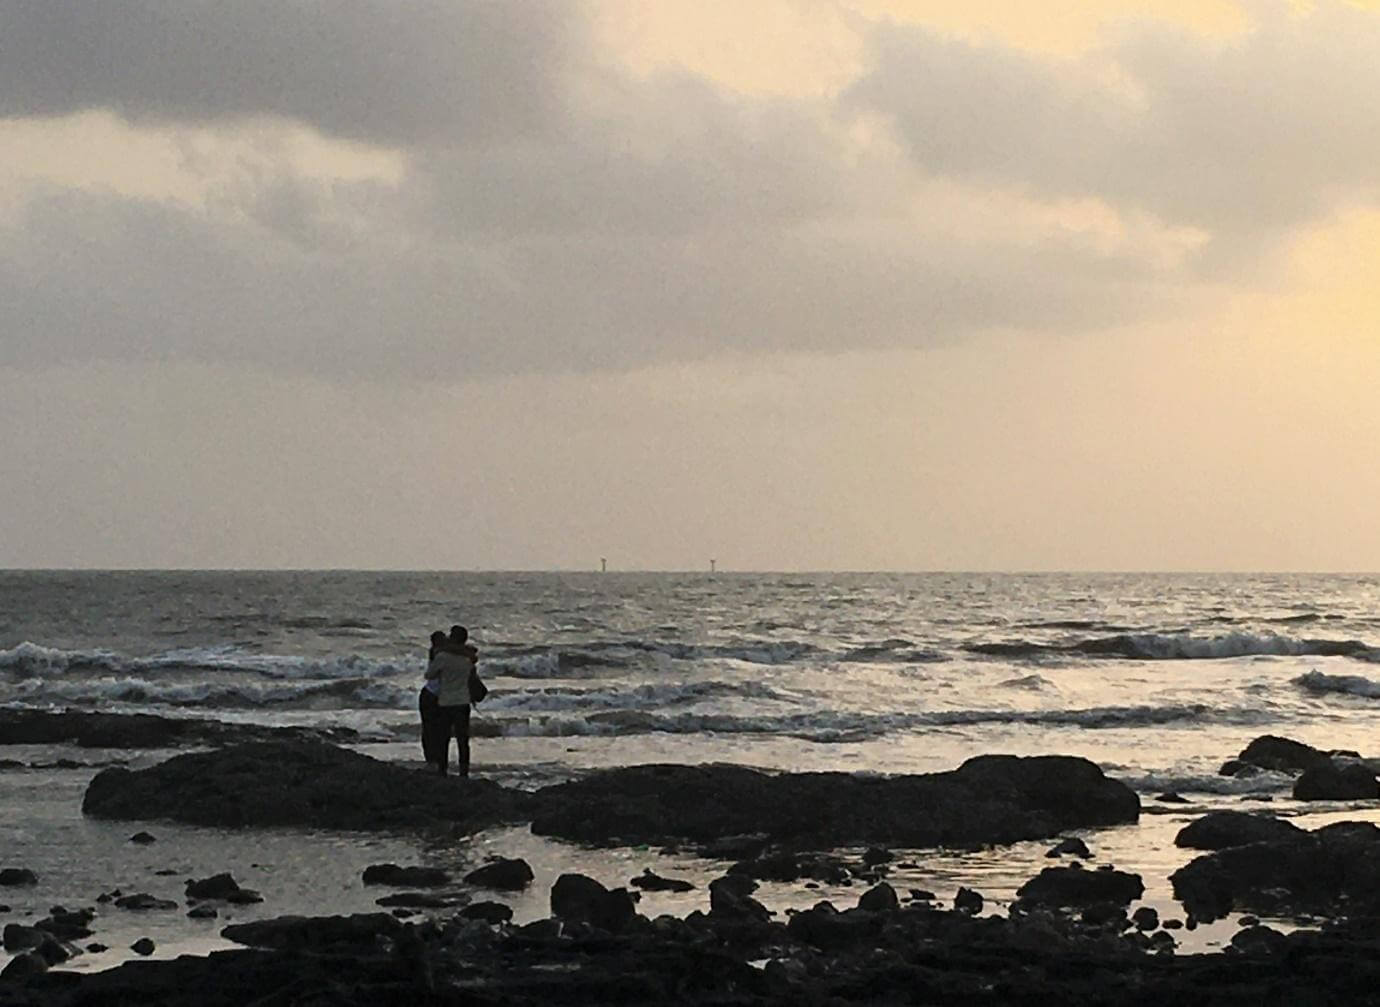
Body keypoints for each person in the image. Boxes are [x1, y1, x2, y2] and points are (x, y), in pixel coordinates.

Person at [426, 625, 478, 777]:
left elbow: (430, 675)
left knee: (444, 738)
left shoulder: (442, 657)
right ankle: (464, 772)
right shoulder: (468, 657)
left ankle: (443, 770)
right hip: (463, 701)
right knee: (463, 740)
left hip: (446, 702)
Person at [418, 630, 447, 768]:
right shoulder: (439, 654)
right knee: (432, 730)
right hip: (433, 695)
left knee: (433, 729)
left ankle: (434, 760)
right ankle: (432, 760)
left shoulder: (440, 653)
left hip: (433, 694)